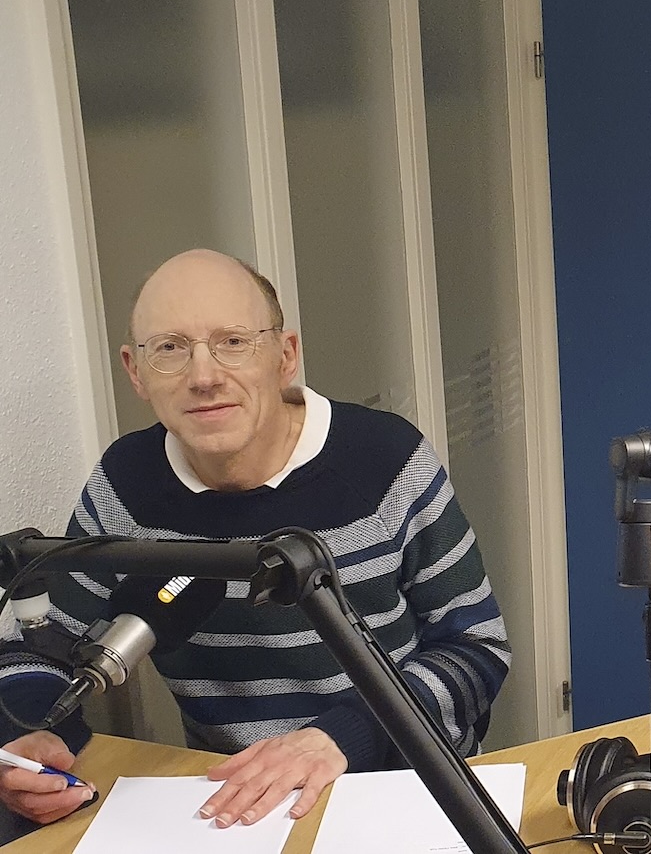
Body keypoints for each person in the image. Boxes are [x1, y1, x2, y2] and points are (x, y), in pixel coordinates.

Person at [0, 250, 510, 832]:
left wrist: (343, 736)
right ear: (135, 371)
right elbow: (41, 647)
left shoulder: (386, 460)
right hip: (235, 810)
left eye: (234, 342)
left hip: (398, 784)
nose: (204, 376)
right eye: (170, 348)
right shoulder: (124, 485)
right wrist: (32, 737)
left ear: (285, 355)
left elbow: (476, 647)